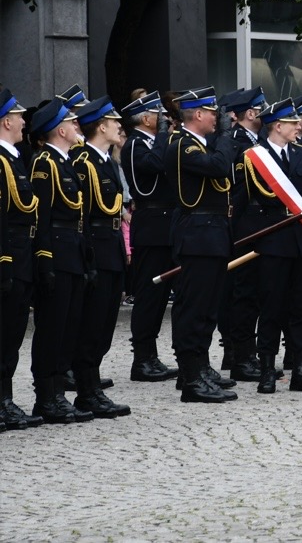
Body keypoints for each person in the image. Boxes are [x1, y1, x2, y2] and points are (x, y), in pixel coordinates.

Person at [240, 99, 302, 394]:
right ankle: (267, 369)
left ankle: (300, 368)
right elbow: (244, 203)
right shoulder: (254, 157)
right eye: (293, 123)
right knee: (271, 307)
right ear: (277, 126)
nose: (299, 127)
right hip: (273, 242)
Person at [164, 86, 241, 403]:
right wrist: (226, 138)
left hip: (211, 234)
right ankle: (191, 376)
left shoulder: (198, 144)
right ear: (197, 115)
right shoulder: (183, 146)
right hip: (198, 235)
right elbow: (219, 167)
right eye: (212, 112)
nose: (217, 118)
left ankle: (199, 367)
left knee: (208, 309)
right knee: (194, 309)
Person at [27, 98, 93, 423]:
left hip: (73, 252)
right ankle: (46, 396)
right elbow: (41, 216)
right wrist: (44, 258)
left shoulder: (65, 163)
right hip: (56, 251)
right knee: (52, 327)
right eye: (72, 121)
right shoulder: (45, 164)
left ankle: (58, 392)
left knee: (69, 326)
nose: (77, 125)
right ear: (60, 129)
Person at [67, 97, 132, 418]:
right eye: (113, 120)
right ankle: (86, 390)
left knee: (106, 322)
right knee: (92, 324)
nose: (120, 125)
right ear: (101, 126)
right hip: (95, 247)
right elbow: (81, 211)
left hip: (112, 245)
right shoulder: (83, 162)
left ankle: (92, 387)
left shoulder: (107, 161)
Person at [121, 91, 180, 382]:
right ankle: (141, 358)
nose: (165, 119)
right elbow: (156, 165)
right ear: (146, 119)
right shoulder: (134, 145)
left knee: (163, 298)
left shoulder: (153, 141)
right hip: (151, 225)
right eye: (159, 115)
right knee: (149, 295)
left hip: (167, 225)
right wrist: (162, 135)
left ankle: (152, 356)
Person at [217, 88, 268, 383]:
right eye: (262, 109)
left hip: (254, 225)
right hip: (242, 227)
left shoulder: (255, 142)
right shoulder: (237, 143)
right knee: (242, 292)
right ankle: (241, 354)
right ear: (251, 113)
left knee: (251, 292)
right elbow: (237, 192)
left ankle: (242, 352)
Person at [0, 89, 44, 429]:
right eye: (17, 116)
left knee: (13, 332)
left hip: (22, 253)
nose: (23, 121)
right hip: (8, 254)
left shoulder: (14, 157)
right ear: (5, 122)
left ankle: (6, 399)